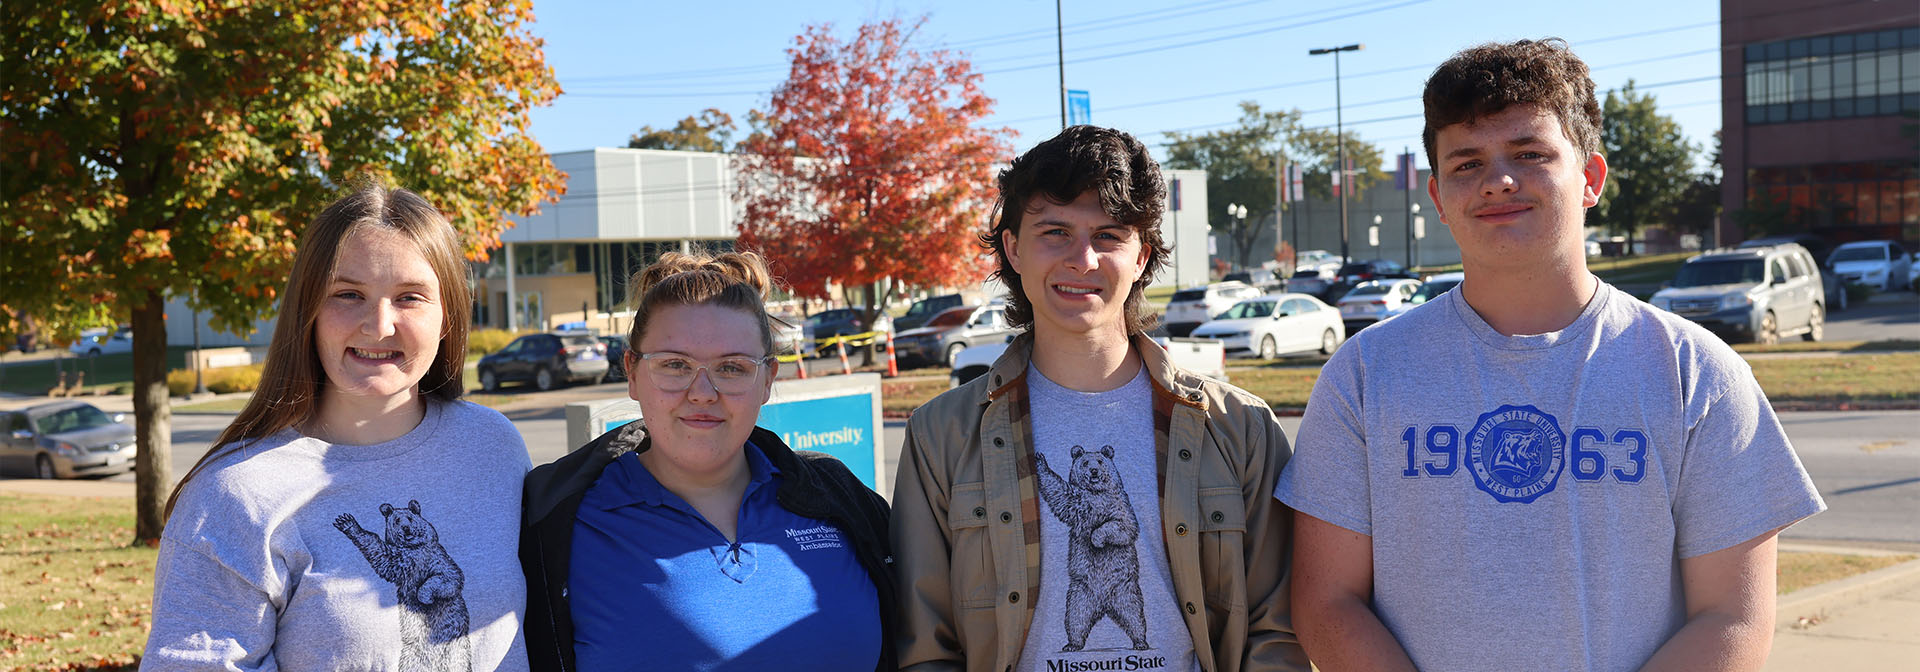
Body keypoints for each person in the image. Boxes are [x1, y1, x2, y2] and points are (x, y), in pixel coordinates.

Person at [1277, 39, 1826, 671]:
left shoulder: (1695, 372)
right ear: (1438, 197)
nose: (1497, 180)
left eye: (1530, 154)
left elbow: (1733, 616)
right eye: (1466, 163)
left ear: (1590, 178)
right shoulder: (1365, 373)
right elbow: (1327, 602)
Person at [891, 126, 1309, 672]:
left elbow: (1277, 633)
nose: (1083, 259)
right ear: (1013, 248)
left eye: (1109, 235)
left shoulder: (1240, 428)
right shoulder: (940, 436)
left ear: (1142, 257)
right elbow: (926, 648)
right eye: (1055, 231)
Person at [145, 183, 533, 670]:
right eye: (348, 294)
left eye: (410, 297)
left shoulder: (493, 447)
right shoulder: (236, 494)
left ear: (448, 318)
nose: (379, 325)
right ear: (307, 310)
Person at [519, 250, 895, 671]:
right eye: (674, 365)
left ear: (767, 380)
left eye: (732, 368)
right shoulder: (557, 523)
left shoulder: (840, 500)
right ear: (632, 372)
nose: (702, 393)